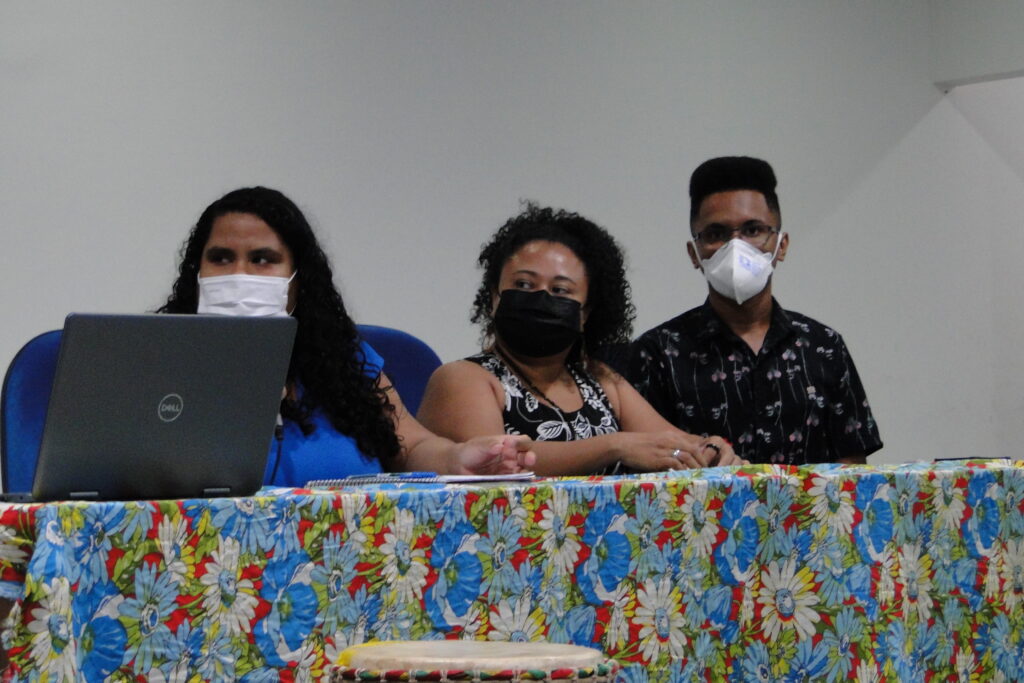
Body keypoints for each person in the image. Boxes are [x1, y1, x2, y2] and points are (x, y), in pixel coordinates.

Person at [158, 186, 534, 485]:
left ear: (297, 277)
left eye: (262, 259)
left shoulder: (342, 358)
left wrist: (458, 458)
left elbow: (411, 446)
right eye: (221, 258)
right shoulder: (158, 360)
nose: (240, 274)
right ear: (198, 270)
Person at [416, 204, 742, 476]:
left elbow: (670, 443)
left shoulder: (601, 381)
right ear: (494, 298)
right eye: (525, 285)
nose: (541, 298)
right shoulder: (463, 379)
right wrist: (615, 445)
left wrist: (711, 450)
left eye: (560, 291)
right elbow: (495, 466)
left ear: (585, 313)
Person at [628, 156, 882, 465]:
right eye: (715, 234)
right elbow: (642, 475)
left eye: (753, 230)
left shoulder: (823, 346)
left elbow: (852, 472)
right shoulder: (657, 354)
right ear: (694, 254)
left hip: (805, 514)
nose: (736, 246)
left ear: (781, 244)